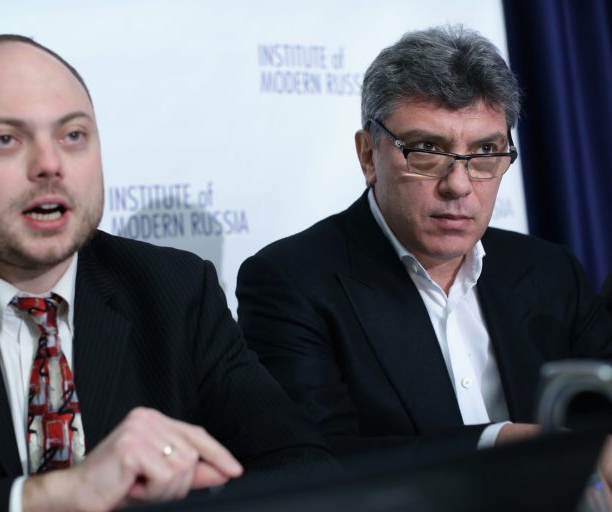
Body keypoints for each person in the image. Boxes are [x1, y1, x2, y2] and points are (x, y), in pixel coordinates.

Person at [0, 35, 332, 511]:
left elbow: (300, 466)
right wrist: (45, 499)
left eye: (73, 135)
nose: (50, 164)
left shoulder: (177, 291)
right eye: (5, 140)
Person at [236, 26, 612, 464]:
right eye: (427, 150)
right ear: (368, 155)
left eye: (486, 151)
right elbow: (317, 460)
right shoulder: (292, 281)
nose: (458, 185)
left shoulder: (550, 271)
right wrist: (497, 443)